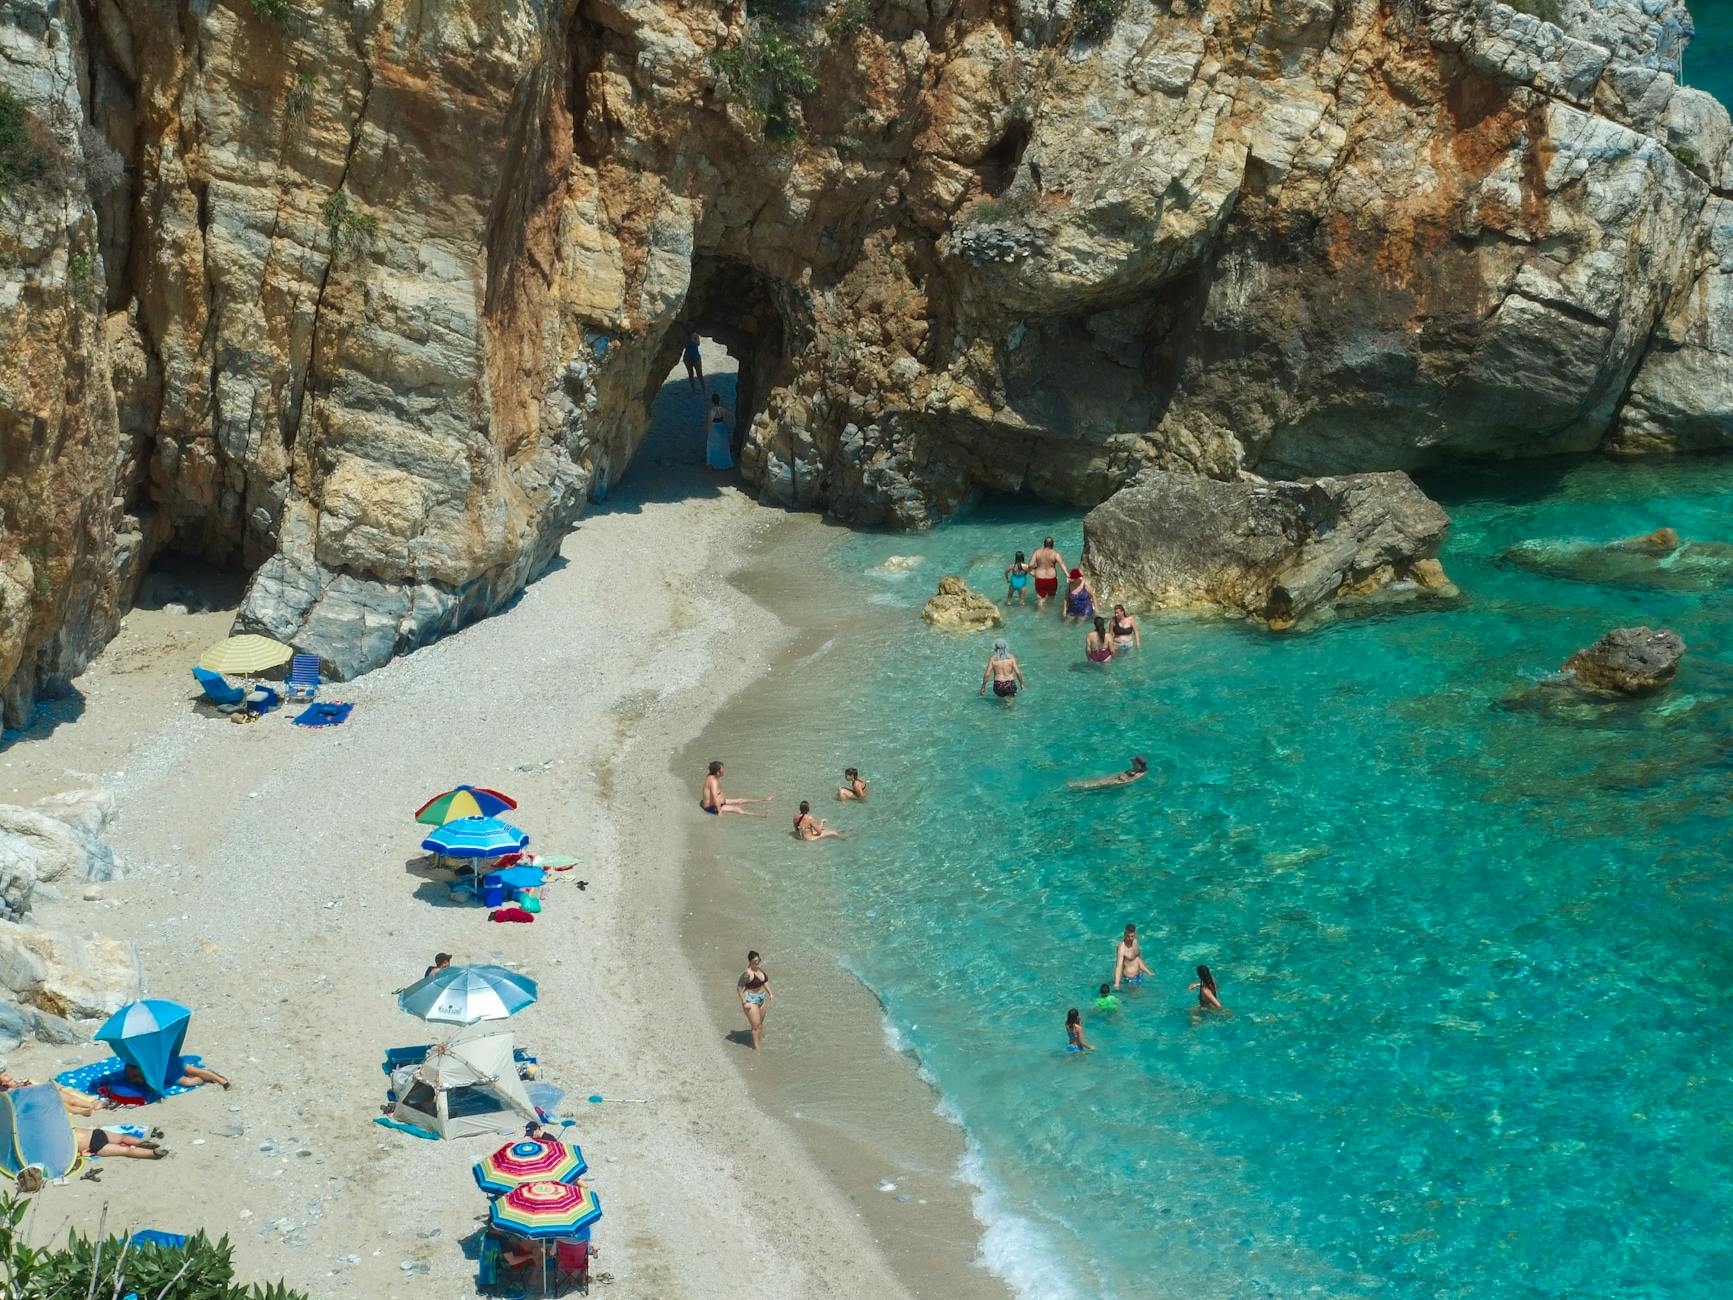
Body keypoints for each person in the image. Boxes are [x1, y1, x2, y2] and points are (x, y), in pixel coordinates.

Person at [0, 1071, 106, 1117]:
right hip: (41, 1100)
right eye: (6, 1077)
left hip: (46, 1092)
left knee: (66, 1092)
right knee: (61, 1101)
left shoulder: (22, 1082)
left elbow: (41, 1086)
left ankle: (92, 1104)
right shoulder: (11, 1092)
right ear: (4, 1083)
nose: (10, 1076)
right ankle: (85, 1110)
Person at [701, 761, 771, 817]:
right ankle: (760, 815)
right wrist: (719, 811)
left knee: (740, 800)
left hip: (719, 802)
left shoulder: (712, 775)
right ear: (718, 772)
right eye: (722, 769)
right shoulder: (713, 782)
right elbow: (714, 796)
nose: (724, 770)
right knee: (736, 809)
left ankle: (764, 800)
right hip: (711, 807)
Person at [738, 951, 773, 1050]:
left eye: (758, 960)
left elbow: (765, 981)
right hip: (751, 1000)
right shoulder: (747, 974)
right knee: (755, 1026)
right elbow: (739, 989)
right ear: (750, 961)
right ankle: (756, 1049)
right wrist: (744, 1002)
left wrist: (770, 993)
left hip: (762, 998)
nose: (757, 963)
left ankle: (760, 1042)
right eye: (755, 961)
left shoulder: (759, 970)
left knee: (760, 1024)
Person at [123, 1061, 231, 1091]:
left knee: (195, 1070)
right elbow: (152, 1087)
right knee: (189, 1082)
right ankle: (207, 1077)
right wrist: (140, 1080)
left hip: (171, 1063)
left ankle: (220, 1080)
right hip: (170, 1075)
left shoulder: (147, 1060)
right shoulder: (130, 1067)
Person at [75, 1126, 168, 1159]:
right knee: (123, 1138)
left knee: (125, 1151)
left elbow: (68, 1157)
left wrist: (80, 1154)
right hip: (95, 1133)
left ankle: (153, 1153)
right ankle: (142, 1142)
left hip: (91, 1146)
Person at [1068, 756, 1149, 791]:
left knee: (1096, 784)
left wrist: (1116, 781)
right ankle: (1077, 786)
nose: (1131, 761)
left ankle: (1076, 786)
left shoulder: (1138, 773)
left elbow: (1127, 781)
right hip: (1119, 777)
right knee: (1097, 781)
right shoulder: (1140, 769)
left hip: (1117, 781)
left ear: (1138, 764)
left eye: (1133, 762)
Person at [1113, 923, 1153, 990]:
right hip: (1130, 979)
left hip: (1140, 975)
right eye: (1128, 936)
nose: (1130, 938)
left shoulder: (1135, 941)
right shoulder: (1122, 948)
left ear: (1135, 934)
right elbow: (1118, 967)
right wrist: (1117, 984)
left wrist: (1148, 971)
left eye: (1132, 936)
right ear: (1124, 934)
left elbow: (1137, 959)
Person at [1030, 537, 1066, 609]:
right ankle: (1050, 610)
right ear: (1052, 545)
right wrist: (1068, 575)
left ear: (1044, 544)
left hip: (1040, 579)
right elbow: (1062, 565)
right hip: (1051, 579)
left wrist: (1036, 569)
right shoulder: (1055, 554)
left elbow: (1031, 565)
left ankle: (1040, 612)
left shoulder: (1037, 552)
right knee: (1051, 597)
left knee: (1041, 599)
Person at [705, 393, 735, 471]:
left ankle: (710, 465)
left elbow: (708, 423)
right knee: (723, 447)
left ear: (712, 401)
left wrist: (707, 433)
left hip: (714, 430)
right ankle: (724, 464)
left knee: (711, 446)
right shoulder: (722, 409)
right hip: (722, 429)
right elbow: (732, 416)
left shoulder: (711, 411)